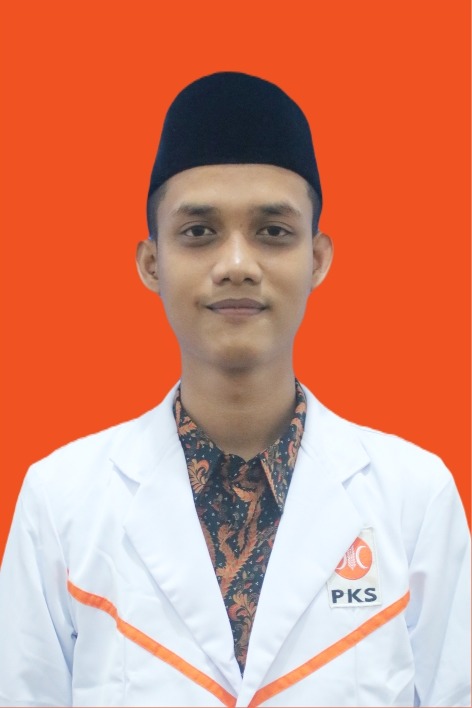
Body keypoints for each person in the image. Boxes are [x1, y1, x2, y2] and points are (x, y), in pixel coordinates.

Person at [0, 72, 469, 708]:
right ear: (152, 263)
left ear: (317, 259)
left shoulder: (415, 499)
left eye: (273, 231)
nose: (238, 264)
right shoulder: (61, 505)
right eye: (199, 232)